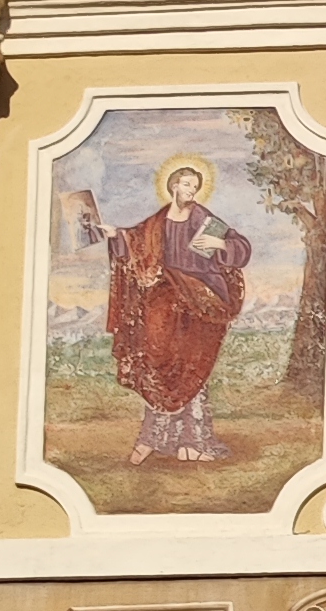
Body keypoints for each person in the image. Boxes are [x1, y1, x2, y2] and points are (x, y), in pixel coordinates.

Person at [78, 157, 250, 464]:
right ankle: (155, 439)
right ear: (173, 186)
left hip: (199, 306)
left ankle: (193, 442)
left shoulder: (203, 219)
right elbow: (135, 243)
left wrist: (222, 246)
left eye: (195, 187)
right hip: (163, 306)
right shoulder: (157, 222)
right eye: (186, 185)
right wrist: (115, 234)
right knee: (160, 367)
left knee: (192, 369)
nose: (191, 191)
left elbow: (240, 246)